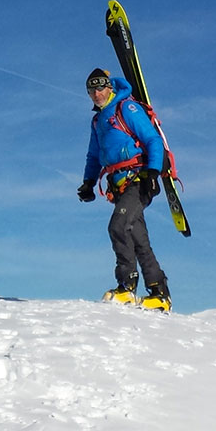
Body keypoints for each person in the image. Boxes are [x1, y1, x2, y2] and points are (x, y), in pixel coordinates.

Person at [77, 67, 170, 310]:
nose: (96, 93)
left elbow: (152, 139)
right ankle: (159, 293)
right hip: (118, 184)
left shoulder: (126, 108)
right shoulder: (98, 121)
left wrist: (152, 171)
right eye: (91, 89)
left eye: (100, 87)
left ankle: (127, 286)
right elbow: (94, 156)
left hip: (139, 178)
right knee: (138, 238)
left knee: (117, 225)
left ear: (110, 87)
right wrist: (88, 182)